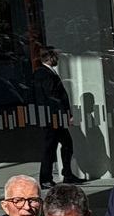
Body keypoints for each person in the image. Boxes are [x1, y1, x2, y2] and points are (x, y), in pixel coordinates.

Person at [32, 48, 86, 185]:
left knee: (65, 144)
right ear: (50, 58)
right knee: (50, 147)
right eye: (56, 56)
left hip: (55, 117)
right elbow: (53, 97)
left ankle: (66, 173)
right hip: (52, 118)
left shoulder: (47, 72)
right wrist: (65, 115)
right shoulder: (44, 74)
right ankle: (46, 178)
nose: (58, 59)